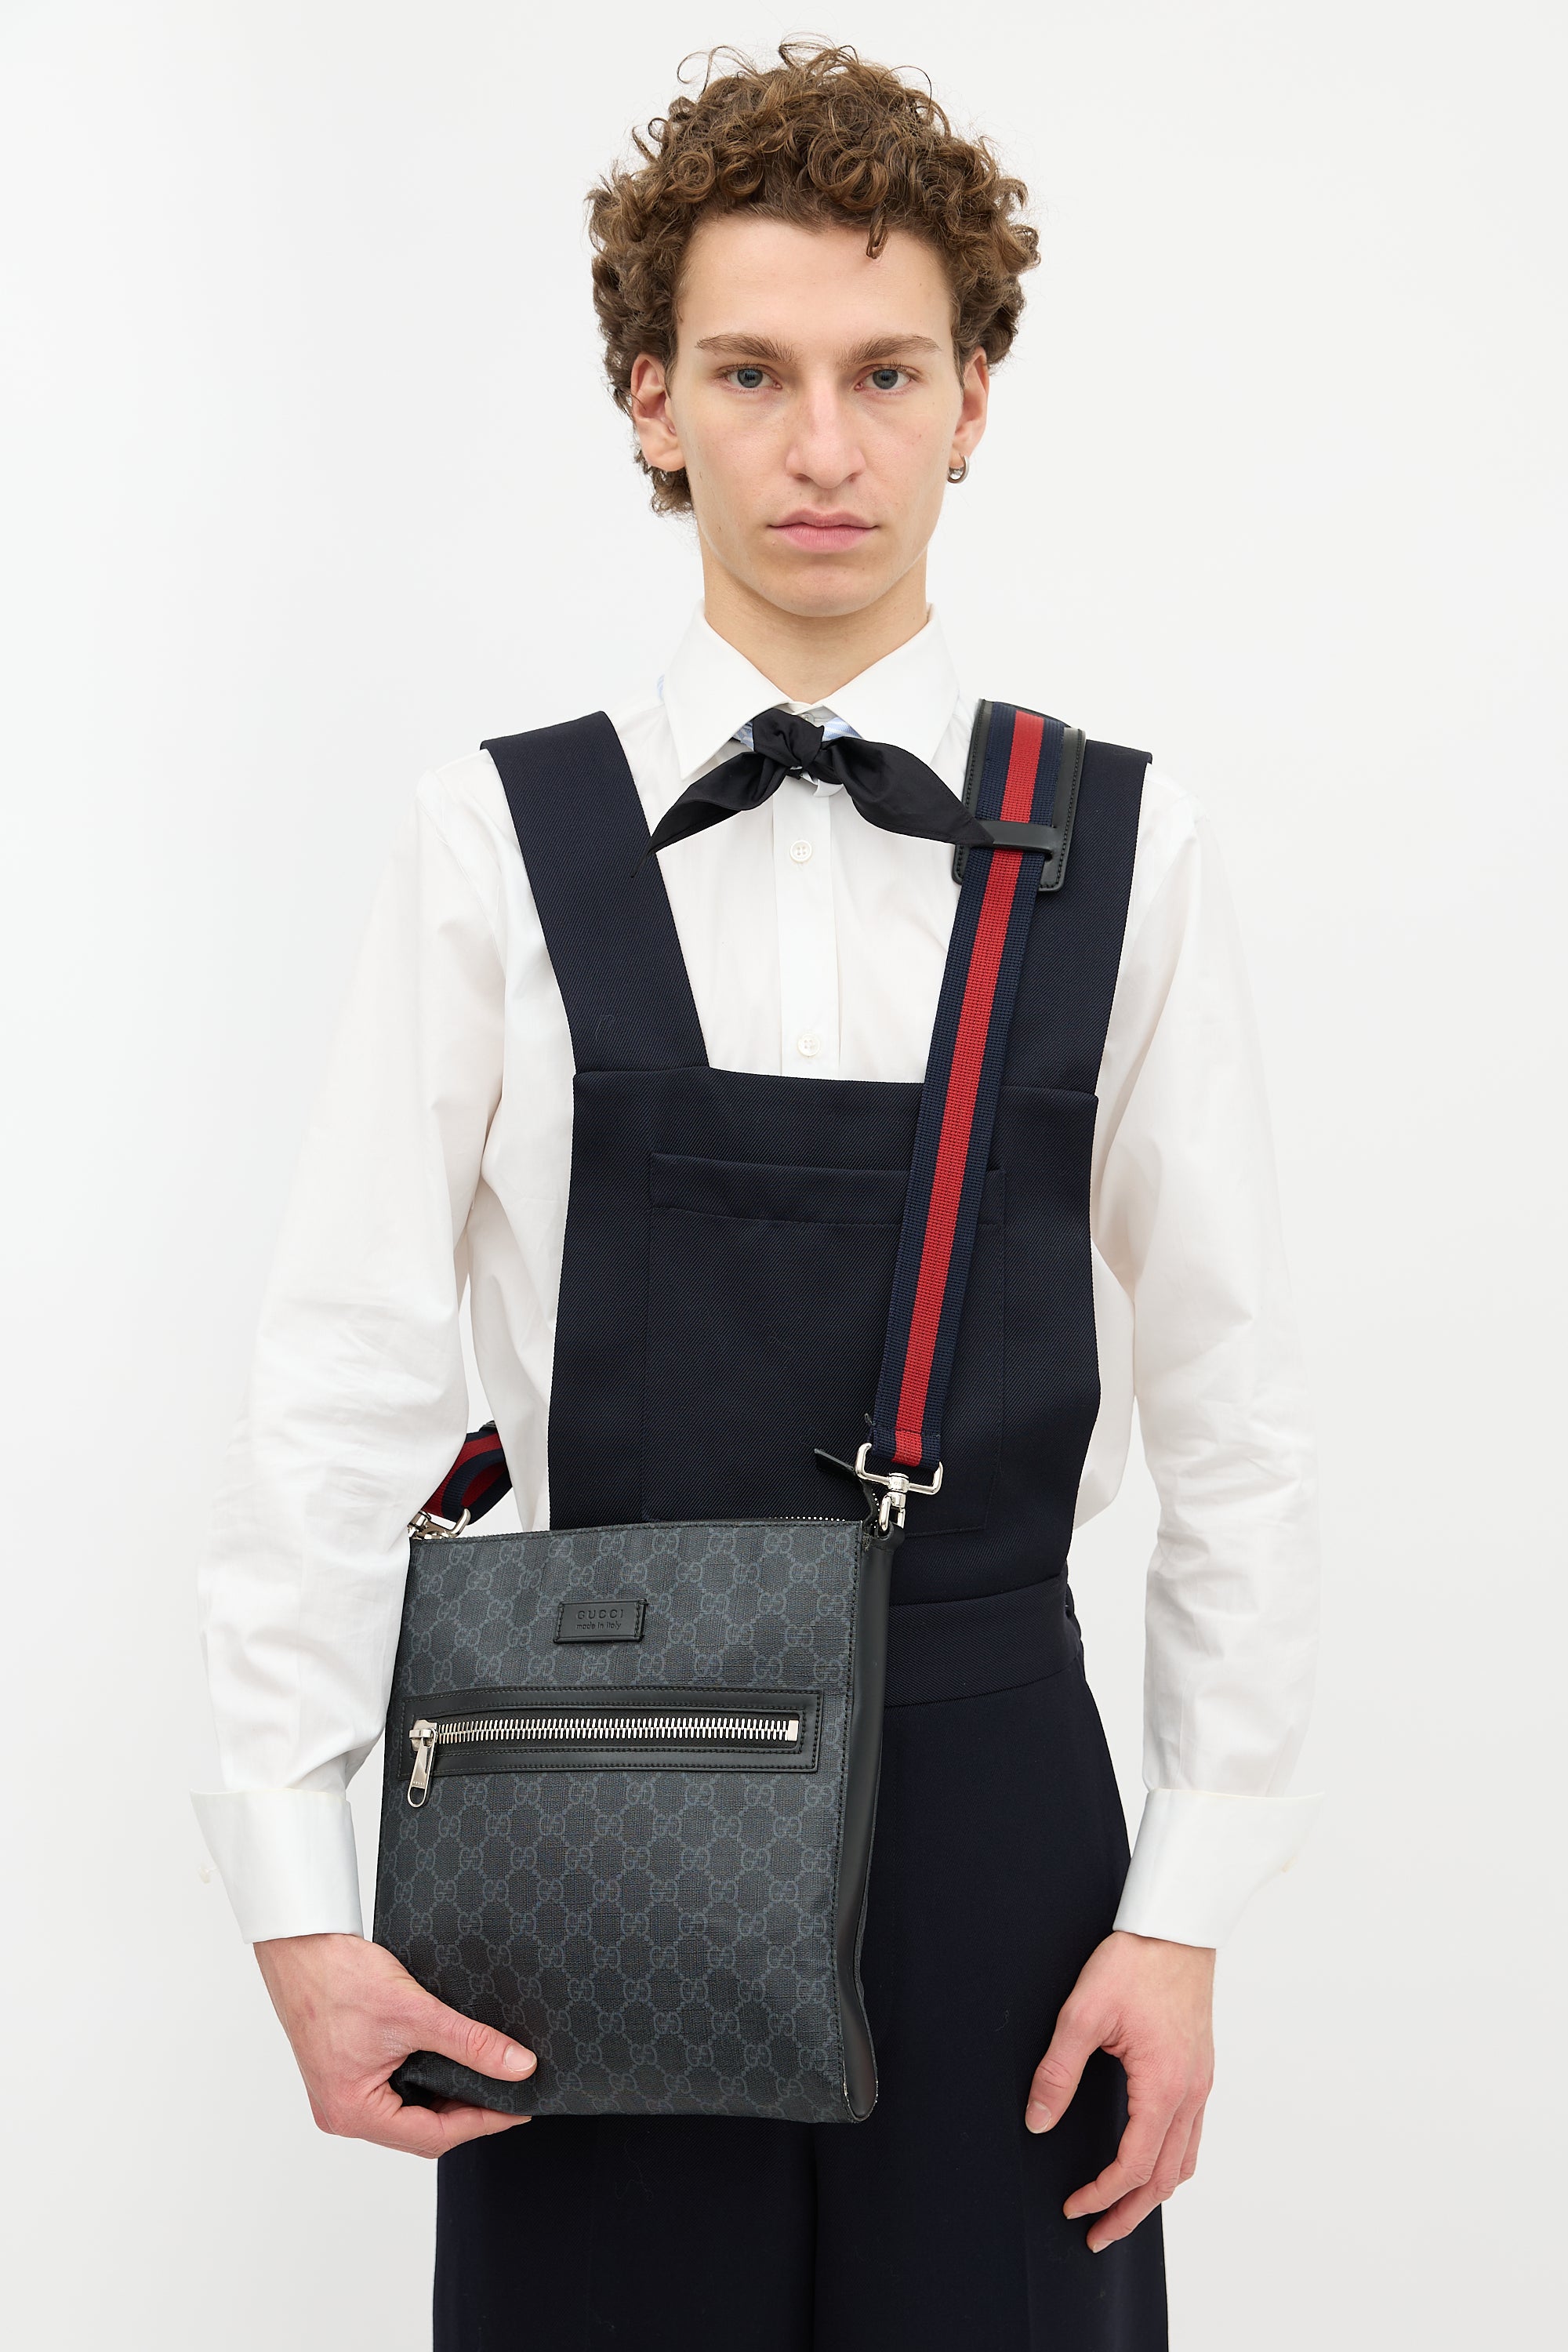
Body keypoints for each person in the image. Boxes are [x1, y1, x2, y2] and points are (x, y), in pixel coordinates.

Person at [194, 42, 1319, 2350]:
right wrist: (297, 1896)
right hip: (587, 1809)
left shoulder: (1132, 847)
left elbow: (1239, 1422)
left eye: (884, 373)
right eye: (752, 372)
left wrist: (1188, 1907)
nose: (823, 447)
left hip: (1004, 1829)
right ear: (652, 399)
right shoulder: (494, 838)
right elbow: (340, 1385)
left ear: (974, 400)